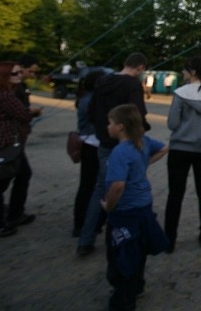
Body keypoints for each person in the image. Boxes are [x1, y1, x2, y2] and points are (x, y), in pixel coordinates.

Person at [77, 52, 149, 256]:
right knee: (128, 188)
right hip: (126, 144)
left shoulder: (102, 82)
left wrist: (102, 129)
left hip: (104, 143)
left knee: (101, 189)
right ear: (140, 68)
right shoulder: (132, 85)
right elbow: (138, 114)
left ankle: (86, 238)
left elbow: (92, 110)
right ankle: (124, 236)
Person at [101, 103, 168, 311]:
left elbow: (118, 185)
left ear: (120, 126)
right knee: (137, 252)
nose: (107, 127)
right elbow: (165, 147)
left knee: (122, 257)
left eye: (110, 123)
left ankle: (124, 300)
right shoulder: (143, 141)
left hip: (125, 212)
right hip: (143, 207)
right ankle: (137, 286)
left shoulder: (120, 152)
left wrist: (108, 205)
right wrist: (144, 164)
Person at [164, 56, 201, 252]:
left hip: (180, 149)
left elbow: (172, 124)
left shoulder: (180, 94)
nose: (182, 73)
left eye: (185, 69)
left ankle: (169, 239)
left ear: (193, 72)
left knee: (175, 194)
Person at [0, 62, 41, 237]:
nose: (19, 75)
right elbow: (22, 114)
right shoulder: (4, 95)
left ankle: (15, 214)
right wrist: (34, 112)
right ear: (4, 76)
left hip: (9, 143)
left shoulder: (1, 93)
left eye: (20, 72)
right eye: (15, 73)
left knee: (22, 175)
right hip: (4, 144)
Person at [72, 69, 105, 237]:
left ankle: (85, 221)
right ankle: (83, 223)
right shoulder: (91, 100)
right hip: (92, 145)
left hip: (89, 144)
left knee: (88, 185)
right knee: (90, 185)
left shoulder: (86, 98)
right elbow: (96, 124)